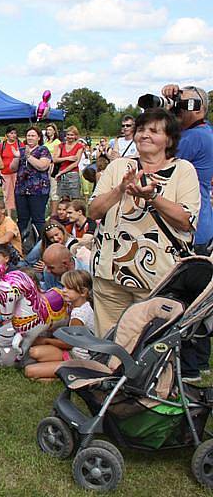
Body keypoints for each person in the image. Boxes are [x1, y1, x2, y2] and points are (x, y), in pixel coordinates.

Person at [88, 108, 200, 336]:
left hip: (157, 278)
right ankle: (111, 373)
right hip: (109, 274)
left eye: (154, 131)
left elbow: (186, 221)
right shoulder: (118, 166)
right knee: (108, 342)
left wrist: (152, 197)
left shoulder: (183, 170)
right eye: (141, 130)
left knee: (151, 345)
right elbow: (93, 211)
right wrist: (119, 190)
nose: (144, 135)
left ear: (169, 139)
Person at [162, 84, 213, 380]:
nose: (177, 111)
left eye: (180, 107)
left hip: (189, 226)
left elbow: (160, 154)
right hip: (204, 222)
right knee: (201, 295)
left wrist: (164, 113)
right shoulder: (206, 133)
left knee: (185, 296)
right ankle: (200, 360)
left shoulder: (192, 137)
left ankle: (189, 365)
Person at [24, 270, 94, 381]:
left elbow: (70, 344)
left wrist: (46, 340)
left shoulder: (79, 315)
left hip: (79, 358)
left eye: (69, 288)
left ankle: (70, 375)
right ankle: (60, 370)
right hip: (71, 352)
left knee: (29, 371)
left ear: (83, 292)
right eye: (63, 287)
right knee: (34, 352)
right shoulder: (79, 306)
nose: (64, 291)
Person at [10, 126, 52, 241]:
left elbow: (42, 166)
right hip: (21, 190)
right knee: (22, 219)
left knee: (38, 219)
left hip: (38, 190)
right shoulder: (22, 150)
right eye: (28, 135)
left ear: (38, 137)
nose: (30, 138)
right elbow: (12, 168)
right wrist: (16, 157)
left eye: (33, 135)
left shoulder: (43, 150)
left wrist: (28, 156)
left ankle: (41, 244)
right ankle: (21, 244)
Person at [53, 125, 84, 202]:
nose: (70, 137)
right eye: (68, 134)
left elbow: (75, 163)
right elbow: (55, 159)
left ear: (75, 136)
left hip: (72, 174)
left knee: (74, 199)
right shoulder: (61, 145)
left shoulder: (79, 146)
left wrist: (61, 172)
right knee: (63, 199)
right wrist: (68, 158)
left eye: (72, 135)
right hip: (61, 175)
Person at [0, 126, 21, 217]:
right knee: (7, 194)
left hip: (17, 173)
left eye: (15, 133)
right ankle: (9, 215)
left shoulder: (19, 144)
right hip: (5, 172)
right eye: (11, 133)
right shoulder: (2, 145)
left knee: (18, 193)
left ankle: (19, 213)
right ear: (7, 134)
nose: (13, 135)